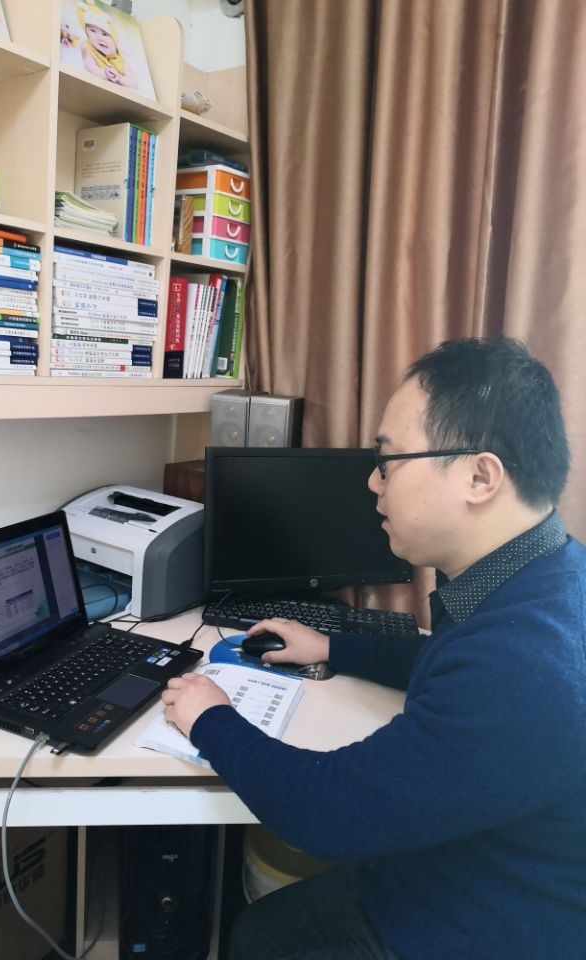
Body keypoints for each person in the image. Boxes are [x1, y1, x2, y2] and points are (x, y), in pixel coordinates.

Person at [162, 337, 586, 960]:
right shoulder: (547, 577)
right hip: (480, 857)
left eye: (388, 461)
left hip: (483, 921)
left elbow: (323, 813)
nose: (372, 481)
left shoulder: (524, 665)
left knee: (256, 937)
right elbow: (448, 662)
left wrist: (209, 716)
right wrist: (331, 645)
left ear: (479, 476)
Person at [77, 5, 138, 89]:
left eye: (105, 34)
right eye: (92, 31)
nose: (99, 38)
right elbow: (89, 66)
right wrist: (104, 74)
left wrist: (119, 77)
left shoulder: (120, 58)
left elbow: (134, 84)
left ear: (114, 39)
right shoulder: (89, 48)